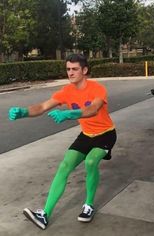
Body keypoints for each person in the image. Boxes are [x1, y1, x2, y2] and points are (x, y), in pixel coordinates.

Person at [8, 53, 117, 230]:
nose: (70, 73)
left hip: (105, 134)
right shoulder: (66, 91)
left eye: (75, 69)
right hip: (86, 134)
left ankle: (88, 205)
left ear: (85, 70)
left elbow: (93, 109)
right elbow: (43, 107)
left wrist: (69, 114)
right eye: (68, 69)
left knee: (90, 162)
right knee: (64, 166)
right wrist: (23, 112)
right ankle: (44, 214)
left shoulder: (97, 88)